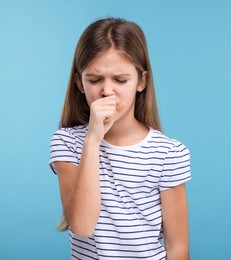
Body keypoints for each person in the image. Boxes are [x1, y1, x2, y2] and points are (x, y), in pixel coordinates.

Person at [49, 17, 191, 260]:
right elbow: (82, 226)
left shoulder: (169, 153)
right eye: (94, 80)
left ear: (141, 82)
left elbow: (177, 247)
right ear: (79, 83)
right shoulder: (67, 143)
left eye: (120, 80)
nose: (106, 91)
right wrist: (93, 141)